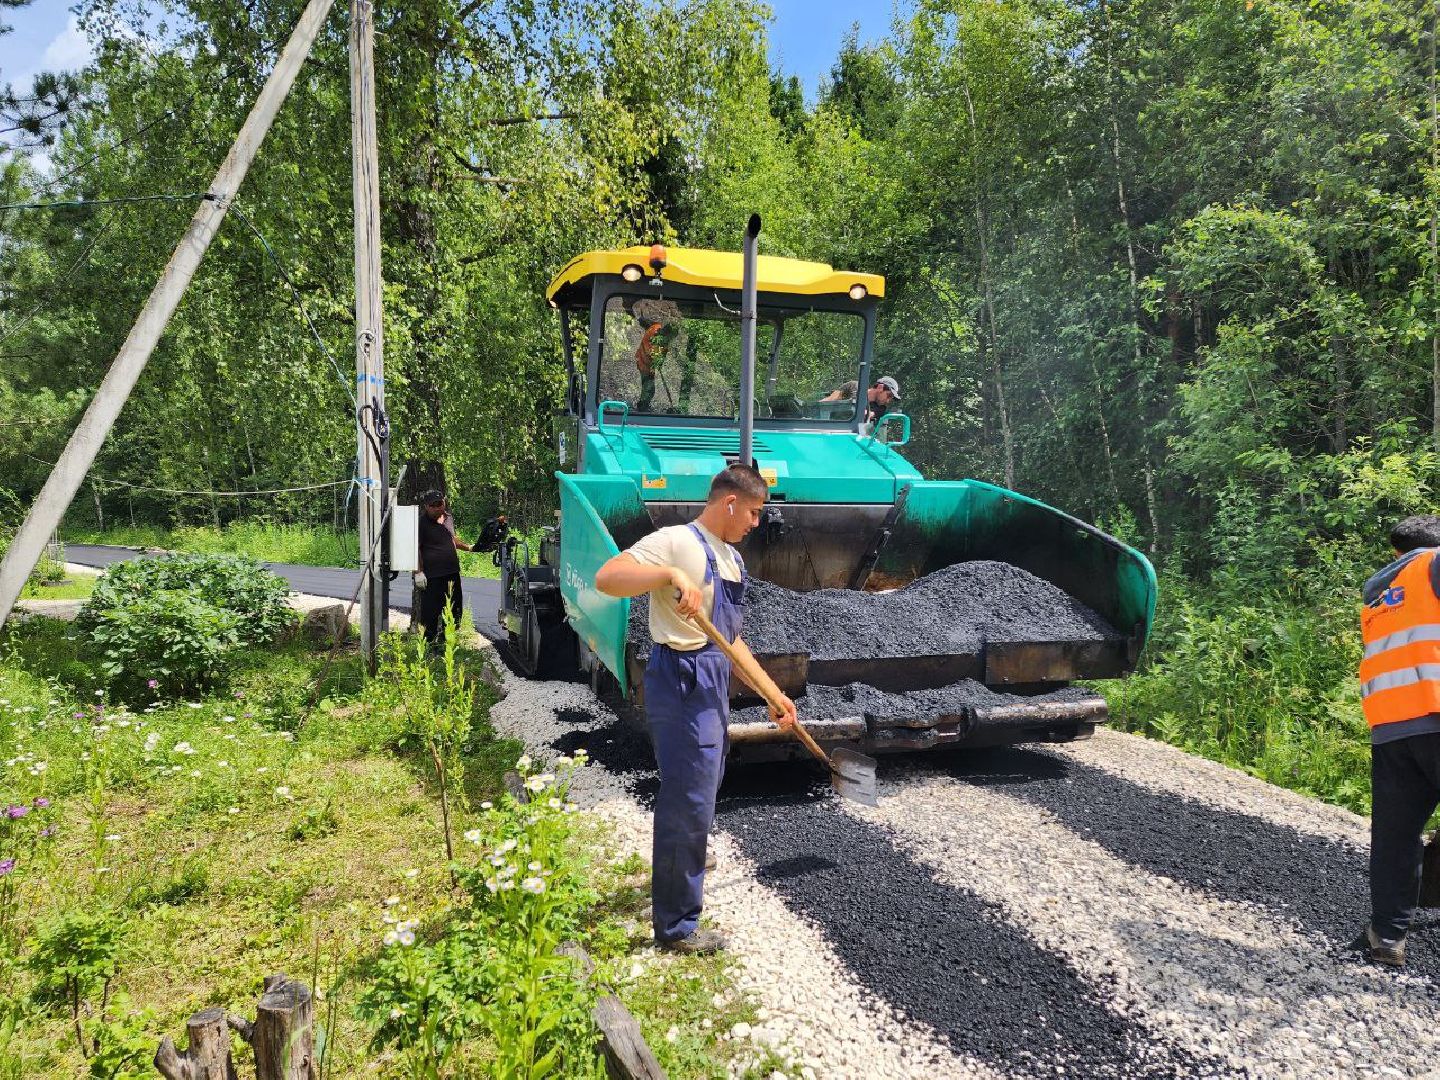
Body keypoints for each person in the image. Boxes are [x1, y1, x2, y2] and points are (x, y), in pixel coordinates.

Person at [594, 463, 798, 954]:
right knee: (688, 798)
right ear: (730, 503)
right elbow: (607, 577)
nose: (756, 523)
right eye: (752, 512)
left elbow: (729, 642)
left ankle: (683, 861)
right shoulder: (679, 543)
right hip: (681, 677)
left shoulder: (731, 558)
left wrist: (772, 693)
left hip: (710, 674)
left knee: (705, 779)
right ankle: (676, 927)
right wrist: (667, 575)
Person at [1355, 514, 1440, 967]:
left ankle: (1387, 937)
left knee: (1395, 836)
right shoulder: (1434, 564)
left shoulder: (1377, 590)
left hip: (1392, 728)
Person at [414, 490, 472, 649]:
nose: (437, 508)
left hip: (452, 573)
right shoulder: (420, 523)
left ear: (444, 503)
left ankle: (449, 644)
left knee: (454, 610)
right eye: (433, 505)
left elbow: (452, 539)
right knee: (431, 613)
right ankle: (428, 646)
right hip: (432, 577)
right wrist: (418, 572)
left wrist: (469, 547)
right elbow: (415, 548)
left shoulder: (448, 518)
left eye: (439, 504)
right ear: (426, 507)